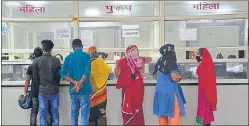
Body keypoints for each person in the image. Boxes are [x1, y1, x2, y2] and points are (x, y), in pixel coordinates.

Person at [115, 45, 152, 125]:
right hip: (129, 90)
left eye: (136, 50)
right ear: (128, 52)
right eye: (133, 50)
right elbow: (118, 73)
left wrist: (140, 59)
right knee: (129, 109)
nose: (135, 51)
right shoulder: (124, 61)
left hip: (138, 89)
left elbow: (150, 59)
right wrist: (118, 65)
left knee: (138, 109)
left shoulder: (139, 60)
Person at [60, 39, 92, 125]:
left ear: (73, 47)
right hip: (85, 89)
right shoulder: (87, 56)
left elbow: (62, 73)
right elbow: (87, 71)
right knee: (84, 115)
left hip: (73, 90)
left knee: (74, 114)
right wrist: (80, 82)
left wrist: (74, 82)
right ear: (82, 46)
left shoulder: (68, 58)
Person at [152, 44, 186, 125]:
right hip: (170, 92)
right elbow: (174, 78)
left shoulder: (160, 60)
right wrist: (179, 78)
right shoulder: (171, 61)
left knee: (162, 114)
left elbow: (155, 75)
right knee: (174, 114)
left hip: (160, 92)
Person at [32, 40, 61, 126]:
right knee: (55, 113)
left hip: (42, 91)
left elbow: (35, 78)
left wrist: (39, 88)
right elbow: (58, 77)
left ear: (42, 48)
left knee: (43, 114)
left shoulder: (36, 61)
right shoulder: (56, 61)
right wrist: (55, 84)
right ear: (51, 49)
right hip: (54, 91)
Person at [24, 47, 53, 126]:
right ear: (42, 54)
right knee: (47, 111)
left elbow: (27, 80)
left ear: (34, 55)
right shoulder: (46, 65)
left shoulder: (31, 66)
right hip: (45, 91)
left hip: (34, 92)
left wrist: (25, 91)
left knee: (34, 111)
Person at [88, 46, 110, 125]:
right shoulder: (102, 62)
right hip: (102, 95)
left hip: (92, 95)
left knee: (92, 115)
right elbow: (108, 70)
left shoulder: (89, 64)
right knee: (101, 115)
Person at [195, 48, 217, 126]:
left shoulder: (203, 65)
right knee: (207, 113)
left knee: (203, 112)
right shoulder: (210, 64)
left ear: (202, 56)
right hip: (208, 93)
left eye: (198, 55)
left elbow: (198, 72)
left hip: (204, 93)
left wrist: (199, 63)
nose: (197, 56)